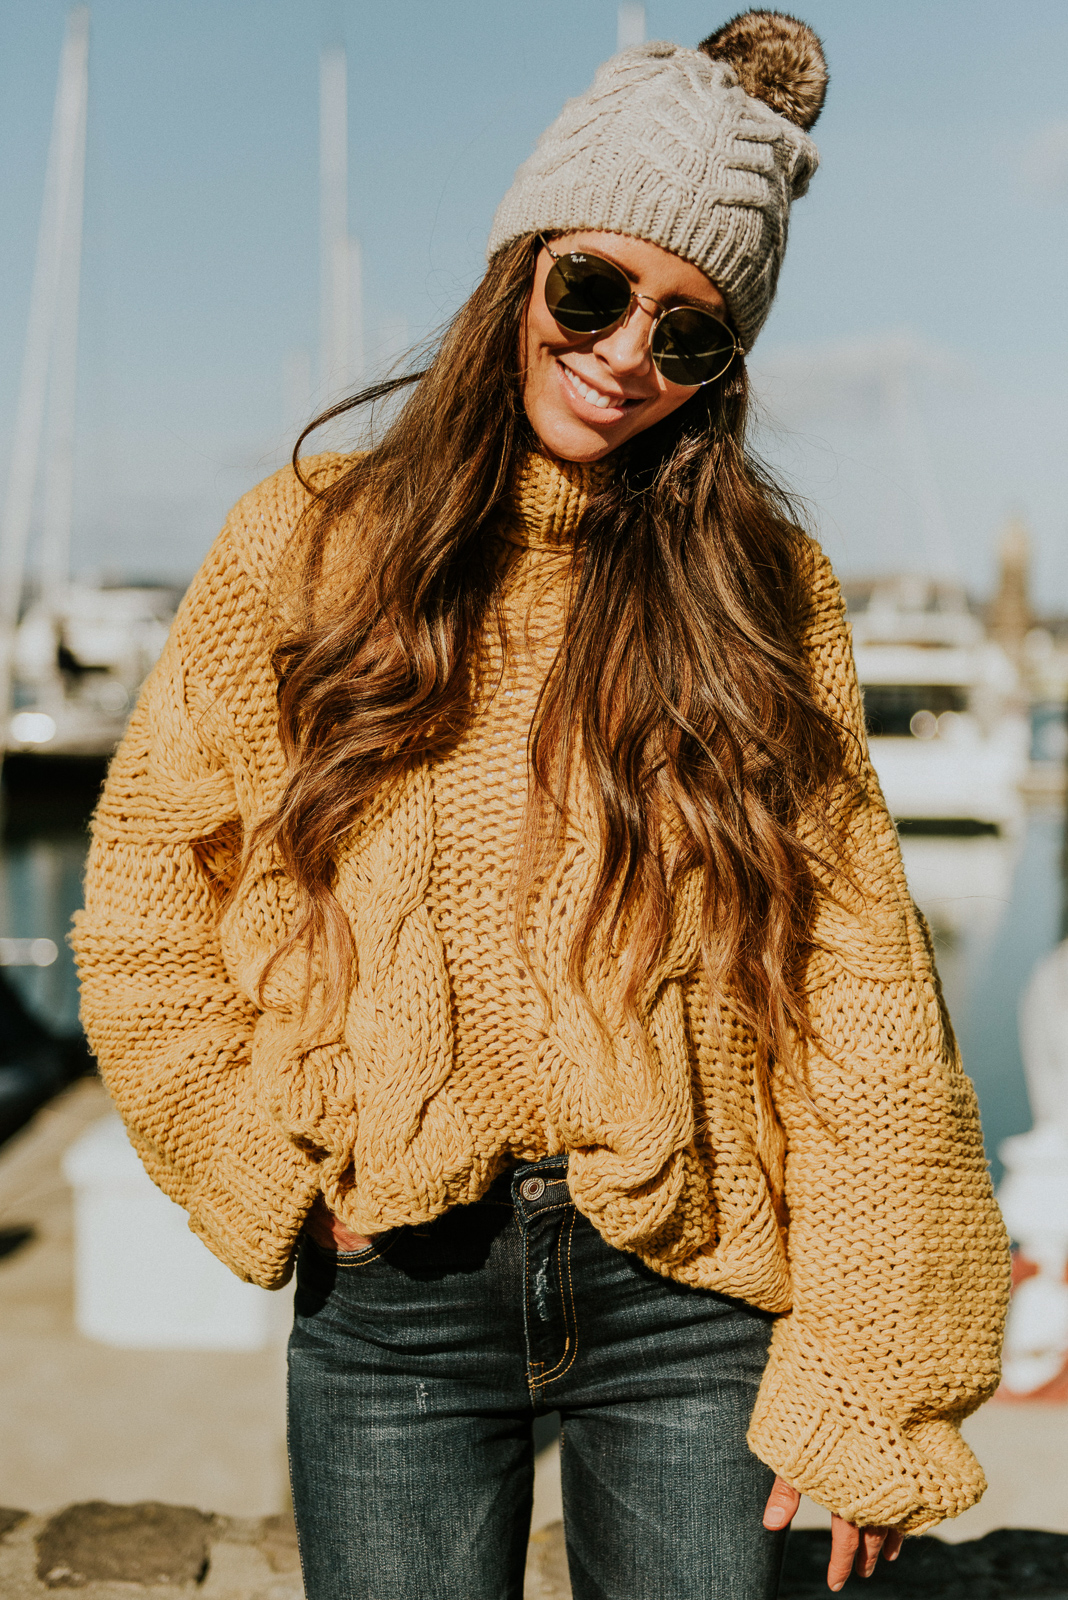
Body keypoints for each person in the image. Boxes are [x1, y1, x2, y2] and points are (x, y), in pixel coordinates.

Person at [74, 12, 1010, 1599]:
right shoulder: (303, 546)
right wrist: (266, 1162)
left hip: (697, 1285)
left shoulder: (763, 589)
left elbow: (859, 978)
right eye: (595, 289)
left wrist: (875, 1365)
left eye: (693, 332)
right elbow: (151, 893)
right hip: (395, 1299)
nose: (629, 350)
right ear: (521, 270)